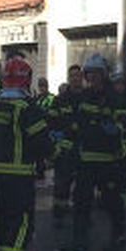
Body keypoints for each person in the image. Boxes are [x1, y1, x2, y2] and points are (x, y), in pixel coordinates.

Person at [0, 57, 52, 251]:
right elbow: (40, 141)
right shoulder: (27, 108)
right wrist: (53, 154)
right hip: (19, 172)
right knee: (21, 220)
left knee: (1, 216)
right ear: (26, 79)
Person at [61, 54, 126, 251]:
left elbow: (124, 125)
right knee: (81, 201)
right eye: (89, 74)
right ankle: (79, 240)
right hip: (86, 159)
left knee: (111, 201)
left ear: (104, 74)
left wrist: (114, 132)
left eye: (96, 73)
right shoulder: (84, 97)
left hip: (109, 160)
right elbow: (76, 124)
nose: (92, 77)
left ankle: (118, 236)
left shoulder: (114, 98)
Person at [49, 65, 85, 228]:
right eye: (72, 76)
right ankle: (59, 215)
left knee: (83, 186)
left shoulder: (88, 98)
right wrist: (55, 139)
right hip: (65, 150)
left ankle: (82, 217)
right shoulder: (60, 99)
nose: (75, 79)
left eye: (78, 76)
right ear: (69, 78)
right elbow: (51, 122)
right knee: (62, 185)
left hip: (84, 149)